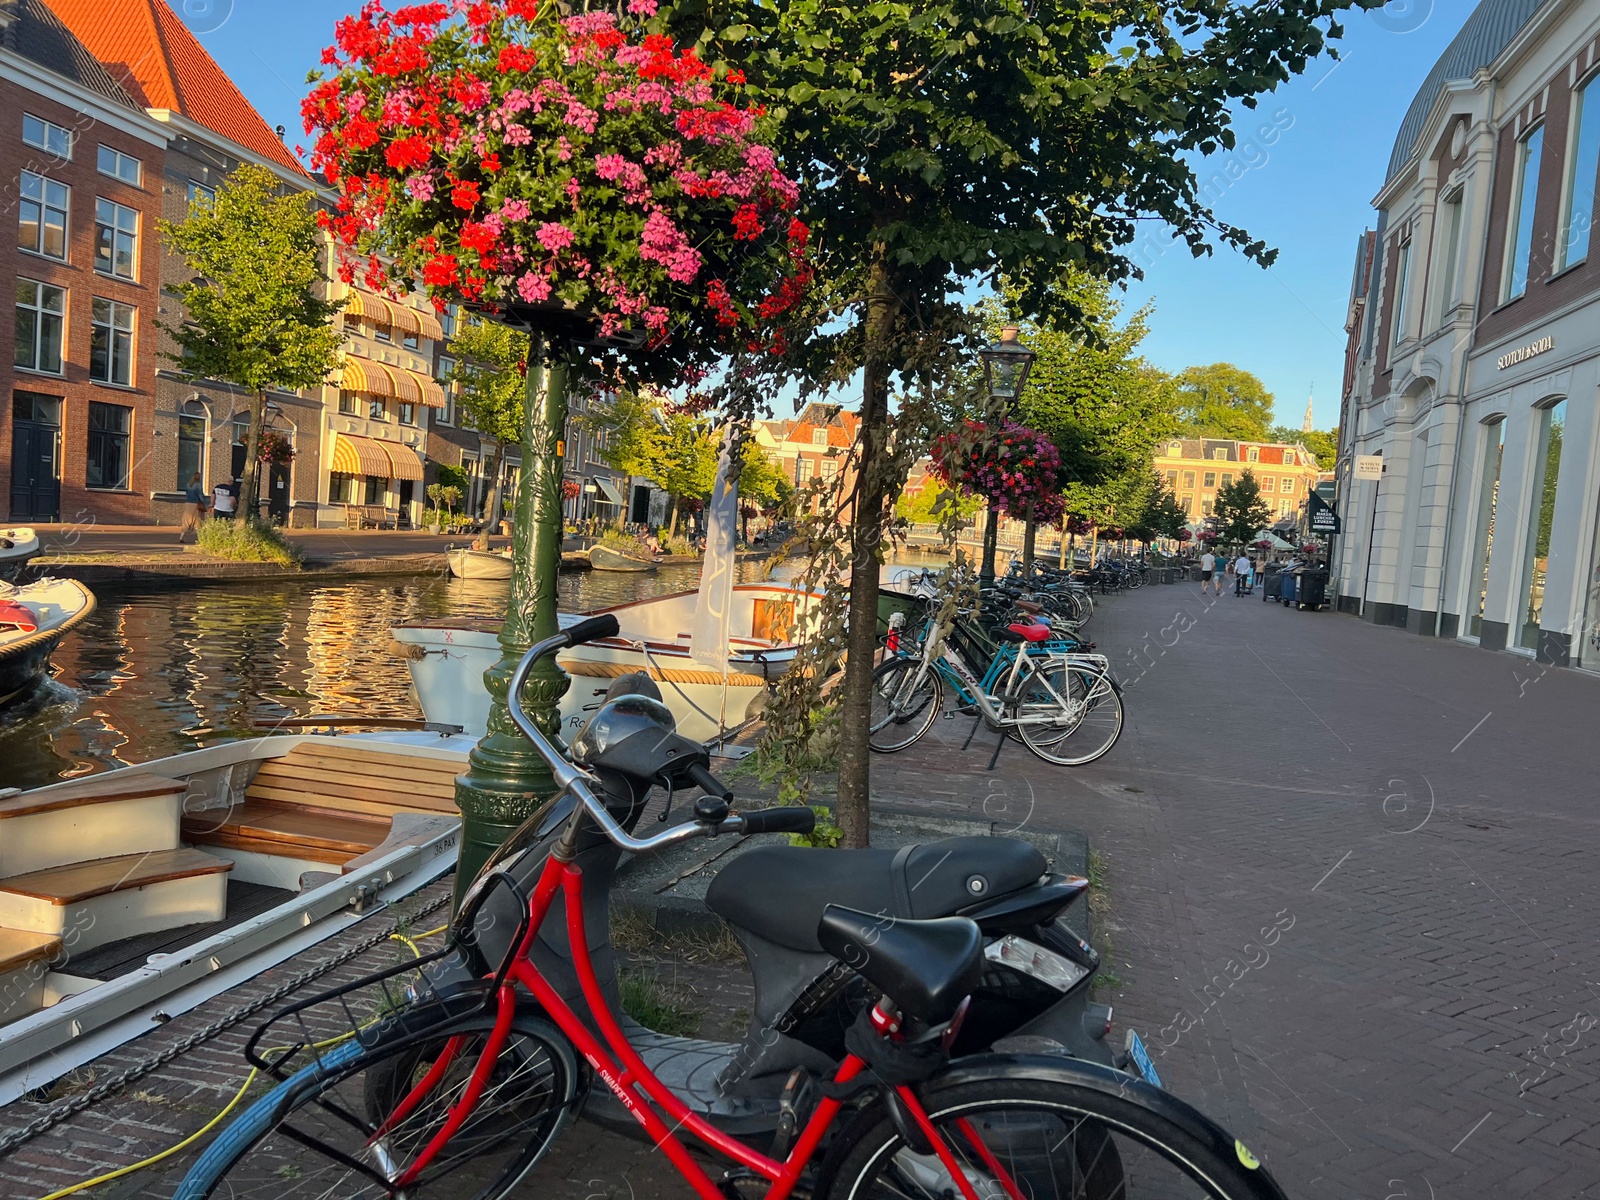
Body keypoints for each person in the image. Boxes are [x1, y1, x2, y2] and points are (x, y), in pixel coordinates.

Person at [179, 473, 207, 542]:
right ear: (199, 478)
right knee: (198, 521)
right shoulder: (198, 485)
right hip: (195, 505)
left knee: (186, 521)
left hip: (188, 504)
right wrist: (205, 503)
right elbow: (200, 495)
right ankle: (201, 538)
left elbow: (187, 494)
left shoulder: (188, 484)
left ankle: (182, 537)